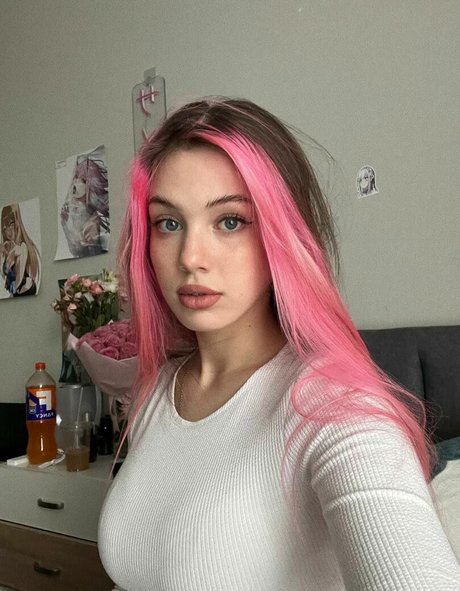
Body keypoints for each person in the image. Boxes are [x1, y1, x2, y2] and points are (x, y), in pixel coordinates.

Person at [98, 97, 460, 590]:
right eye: (169, 223)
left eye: (230, 221)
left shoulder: (336, 411)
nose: (191, 257)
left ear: (283, 233)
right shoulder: (158, 389)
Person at [60, 156, 109, 257]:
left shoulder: (93, 217)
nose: (77, 182)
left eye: (83, 180)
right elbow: (74, 250)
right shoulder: (71, 209)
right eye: (76, 178)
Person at [0, 203, 41, 297]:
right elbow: (3, 276)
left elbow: (17, 281)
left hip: (24, 290)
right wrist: (2, 257)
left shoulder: (22, 247)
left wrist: (11, 294)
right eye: (5, 227)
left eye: (11, 224)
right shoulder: (6, 248)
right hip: (16, 293)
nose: (8, 231)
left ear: (17, 222)